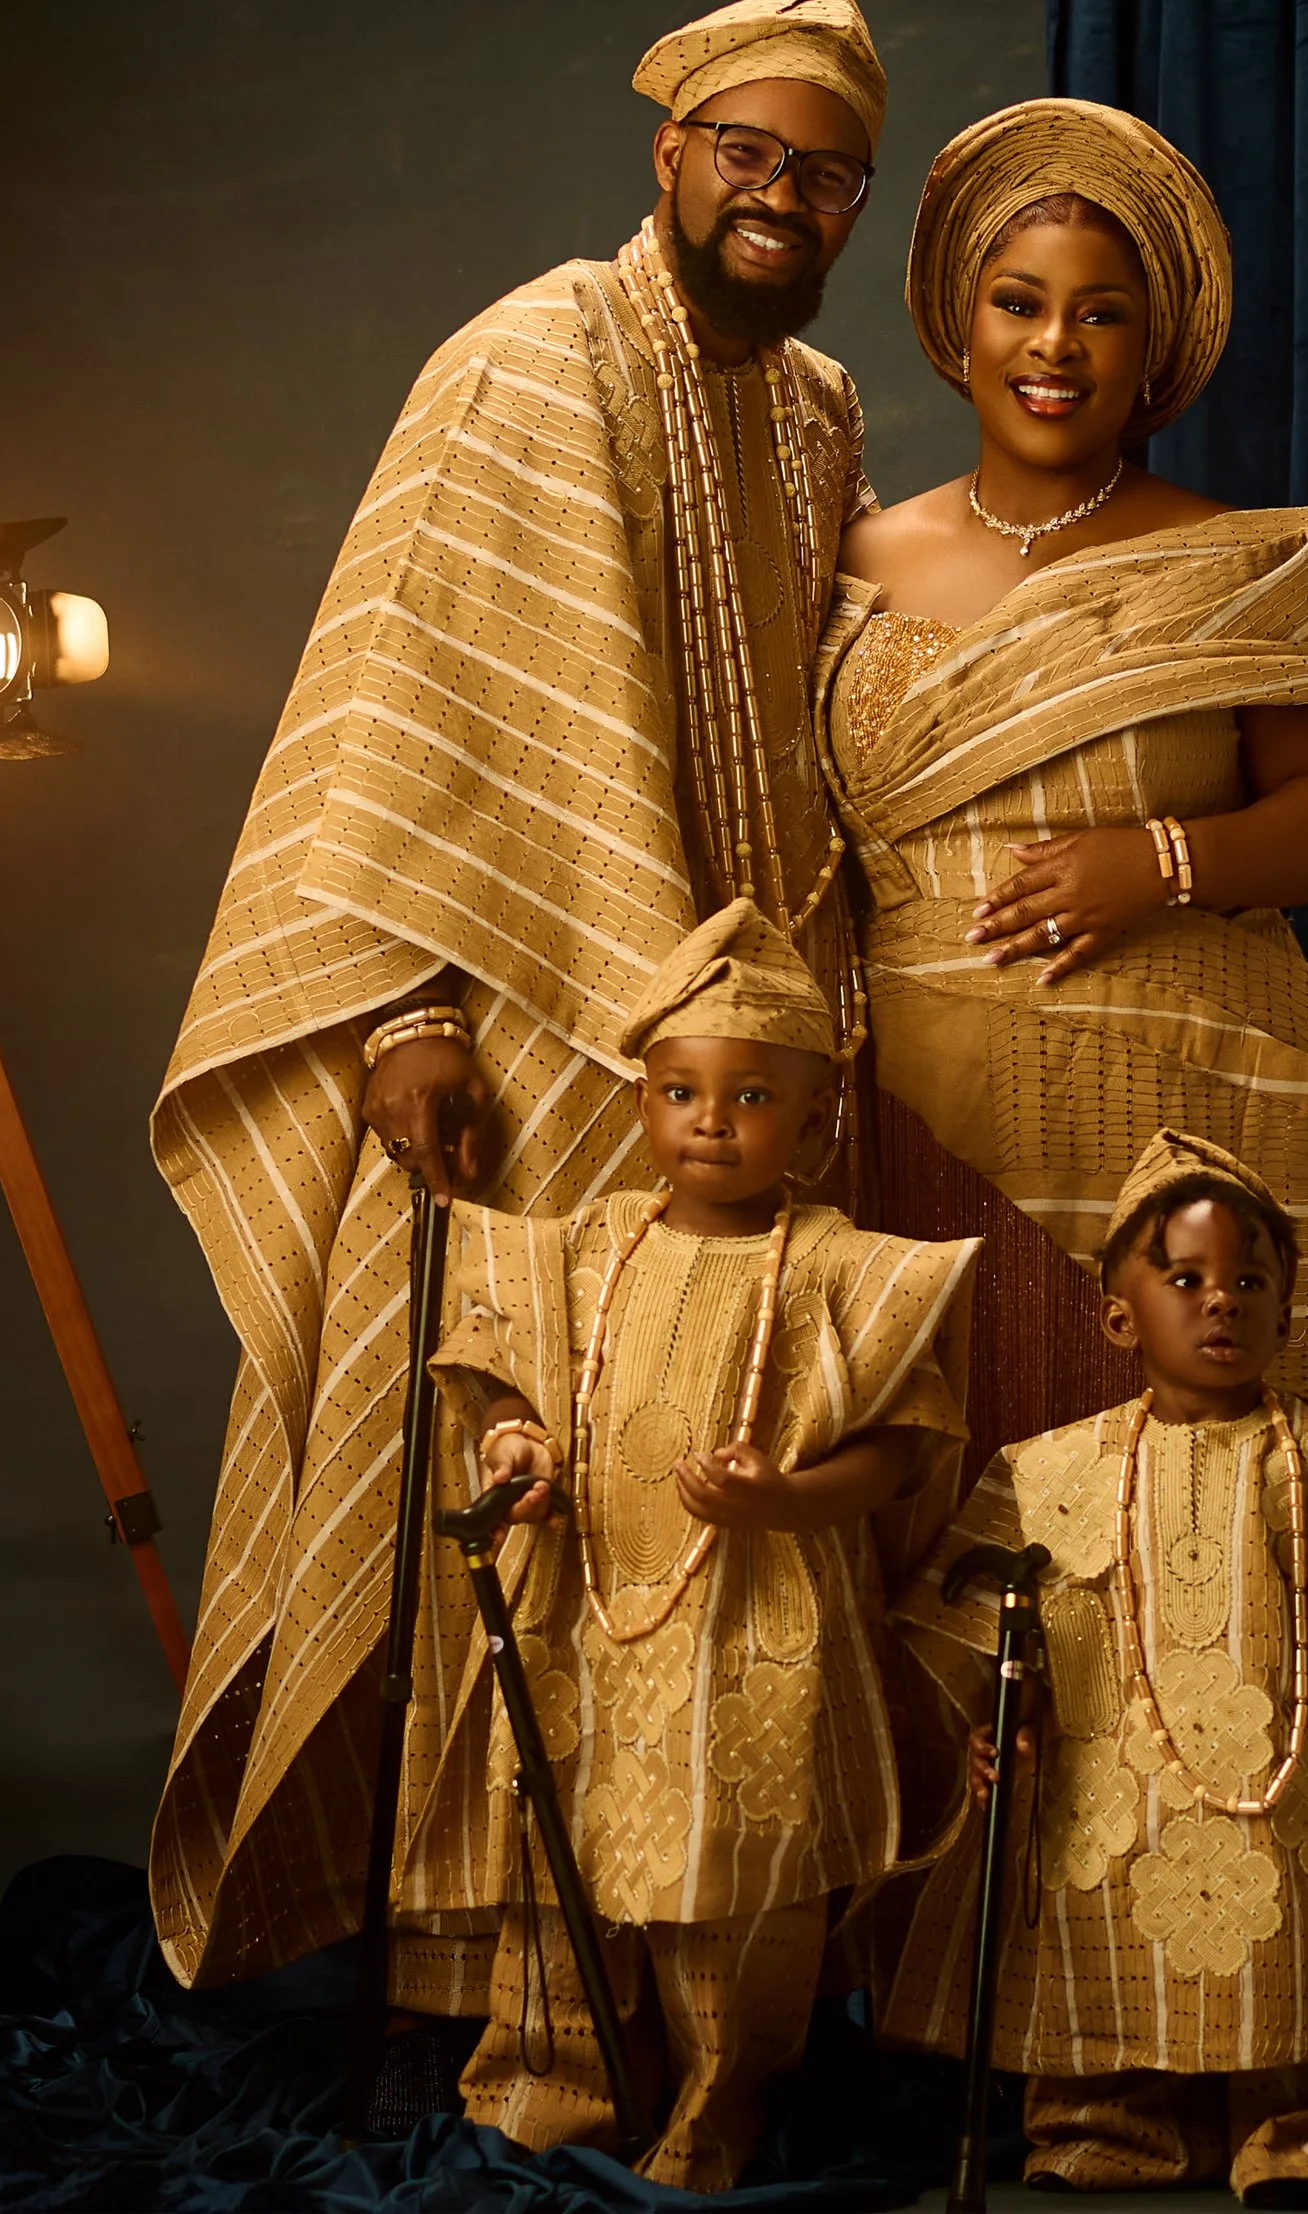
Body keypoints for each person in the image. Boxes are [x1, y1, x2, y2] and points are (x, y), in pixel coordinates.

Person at [149, 0, 887, 1993]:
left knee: (707, 1496)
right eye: (745, 155)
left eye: (820, 175)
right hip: (527, 1040)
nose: (779, 198)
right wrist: (398, 1014)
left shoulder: (814, 418)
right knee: (523, 1488)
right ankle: (498, 1979)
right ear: (666, 156)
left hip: (748, 1061)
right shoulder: (529, 359)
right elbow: (400, 703)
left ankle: (700, 1958)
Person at [821, 97, 1308, 1434]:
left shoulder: (1237, 565)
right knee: (932, 1515)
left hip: (1165, 1130)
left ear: (1150, 350)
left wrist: (1156, 860)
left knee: (1170, 1530)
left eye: (1100, 314)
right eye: (1018, 302)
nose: (1053, 346)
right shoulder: (852, 567)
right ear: (959, 325)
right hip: (910, 1120)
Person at [398, 899, 978, 2188]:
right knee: (562, 1843)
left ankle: (720, 2109)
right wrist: (515, 1447)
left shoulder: (834, 1264)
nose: (709, 1121)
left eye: (752, 1096)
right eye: (679, 1091)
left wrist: (785, 1498)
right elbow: (506, 1378)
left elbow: (903, 1446)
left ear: (814, 1122)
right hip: (586, 1618)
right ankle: (552, 2083)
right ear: (644, 1105)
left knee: (736, 1875)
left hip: (752, 1634)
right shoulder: (593, 1246)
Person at [883, 1128, 1308, 2195]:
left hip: (1288, 1792)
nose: (1221, 1302)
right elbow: (976, 1638)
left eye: (1249, 1281)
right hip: (1112, 1799)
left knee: (1298, 1960)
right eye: (1184, 1278)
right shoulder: (1046, 1469)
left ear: (1288, 1312)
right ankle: (1115, 2121)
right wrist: (998, 1730)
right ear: (1119, 1316)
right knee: (1100, 1934)